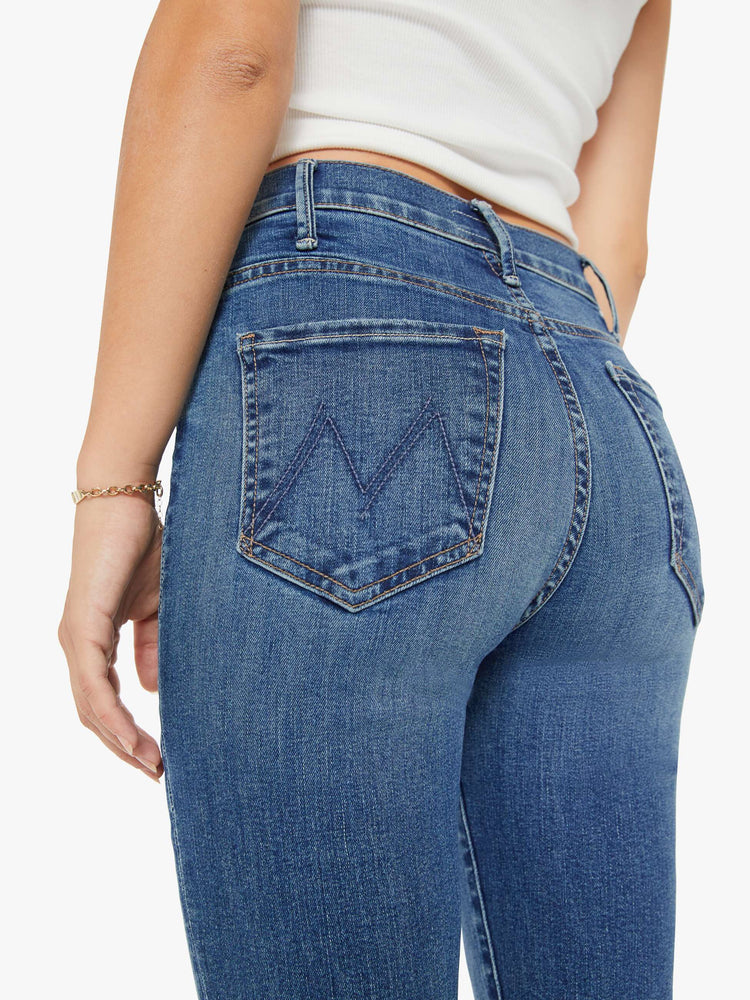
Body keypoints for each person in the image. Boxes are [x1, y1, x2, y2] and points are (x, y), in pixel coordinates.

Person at [58, 0, 705, 997]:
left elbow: (229, 53)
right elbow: (618, 241)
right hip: (606, 411)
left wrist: (115, 483)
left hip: (351, 336)